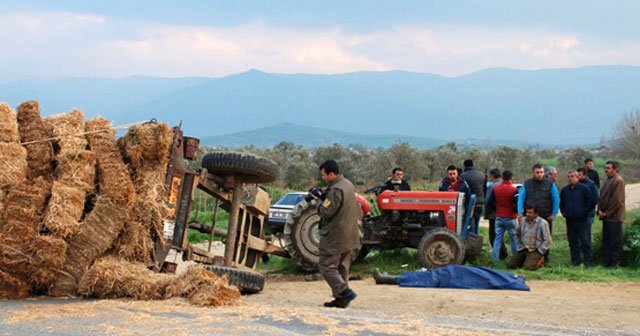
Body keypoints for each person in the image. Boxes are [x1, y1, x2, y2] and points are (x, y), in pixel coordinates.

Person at [314, 159, 361, 308]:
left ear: (332, 174)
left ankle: (344, 291)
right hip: (350, 233)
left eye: (324, 175)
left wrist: (318, 201)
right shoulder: (348, 184)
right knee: (342, 266)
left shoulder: (335, 189)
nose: (323, 178)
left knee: (326, 265)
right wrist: (324, 196)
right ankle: (341, 299)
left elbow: (326, 212)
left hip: (335, 234)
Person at [517, 163, 559, 262]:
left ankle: (545, 259)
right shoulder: (527, 183)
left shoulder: (550, 183)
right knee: (528, 236)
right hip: (529, 216)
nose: (539, 174)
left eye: (541, 172)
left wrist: (554, 213)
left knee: (545, 237)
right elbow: (521, 198)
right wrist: (519, 212)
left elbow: (556, 199)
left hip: (545, 215)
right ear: (533, 173)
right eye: (537, 172)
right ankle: (528, 257)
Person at [560, 170, 594, 267]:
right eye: (568, 177)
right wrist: (563, 212)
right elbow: (562, 203)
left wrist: (584, 212)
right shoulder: (565, 190)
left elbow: (590, 202)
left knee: (585, 241)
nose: (570, 178)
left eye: (572, 176)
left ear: (577, 177)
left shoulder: (584, 189)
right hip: (570, 220)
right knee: (572, 241)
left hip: (582, 220)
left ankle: (588, 262)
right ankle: (575, 261)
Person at [597, 160, 626, 268]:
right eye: (605, 168)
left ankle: (615, 263)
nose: (606, 170)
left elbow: (617, 201)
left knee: (615, 241)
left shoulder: (618, 180)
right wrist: (599, 210)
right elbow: (602, 197)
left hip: (614, 217)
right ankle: (607, 261)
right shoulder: (608, 180)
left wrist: (607, 213)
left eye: (608, 168)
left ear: (615, 169)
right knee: (607, 240)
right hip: (606, 216)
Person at [507, 205, 552, 271]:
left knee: (528, 268)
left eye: (530, 213)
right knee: (511, 265)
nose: (528, 214)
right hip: (523, 248)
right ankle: (526, 260)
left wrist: (540, 251)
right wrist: (519, 245)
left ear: (536, 214)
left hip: (535, 249)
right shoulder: (522, 220)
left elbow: (548, 240)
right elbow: (517, 234)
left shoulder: (543, 223)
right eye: (527, 212)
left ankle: (540, 261)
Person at [486, 170, 518, 262]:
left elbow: (490, 202)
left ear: (502, 177)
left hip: (499, 217)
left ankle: (495, 259)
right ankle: (515, 258)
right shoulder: (513, 189)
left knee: (498, 239)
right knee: (513, 239)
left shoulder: (496, 189)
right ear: (511, 178)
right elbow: (517, 203)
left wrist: (497, 210)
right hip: (510, 217)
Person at [485, 168, 507, 260]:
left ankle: (499, 255)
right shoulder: (505, 184)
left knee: (493, 235)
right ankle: (504, 252)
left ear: (492, 176)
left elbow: (487, 201)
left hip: (494, 214)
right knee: (501, 235)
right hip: (505, 214)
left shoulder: (493, 186)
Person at [460, 159, 486, 235]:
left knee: (470, 221)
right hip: (480, 202)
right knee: (476, 222)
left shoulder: (462, 175)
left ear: (464, 165)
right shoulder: (482, 175)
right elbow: (484, 189)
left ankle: (472, 239)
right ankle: (476, 237)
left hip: (469, 203)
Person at [577, 167, 600, 244]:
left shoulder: (591, 185)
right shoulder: (577, 184)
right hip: (579, 214)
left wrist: (586, 209)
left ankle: (587, 251)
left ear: (585, 175)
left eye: (579, 175)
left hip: (588, 214)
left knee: (586, 234)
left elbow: (595, 199)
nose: (578, 177)